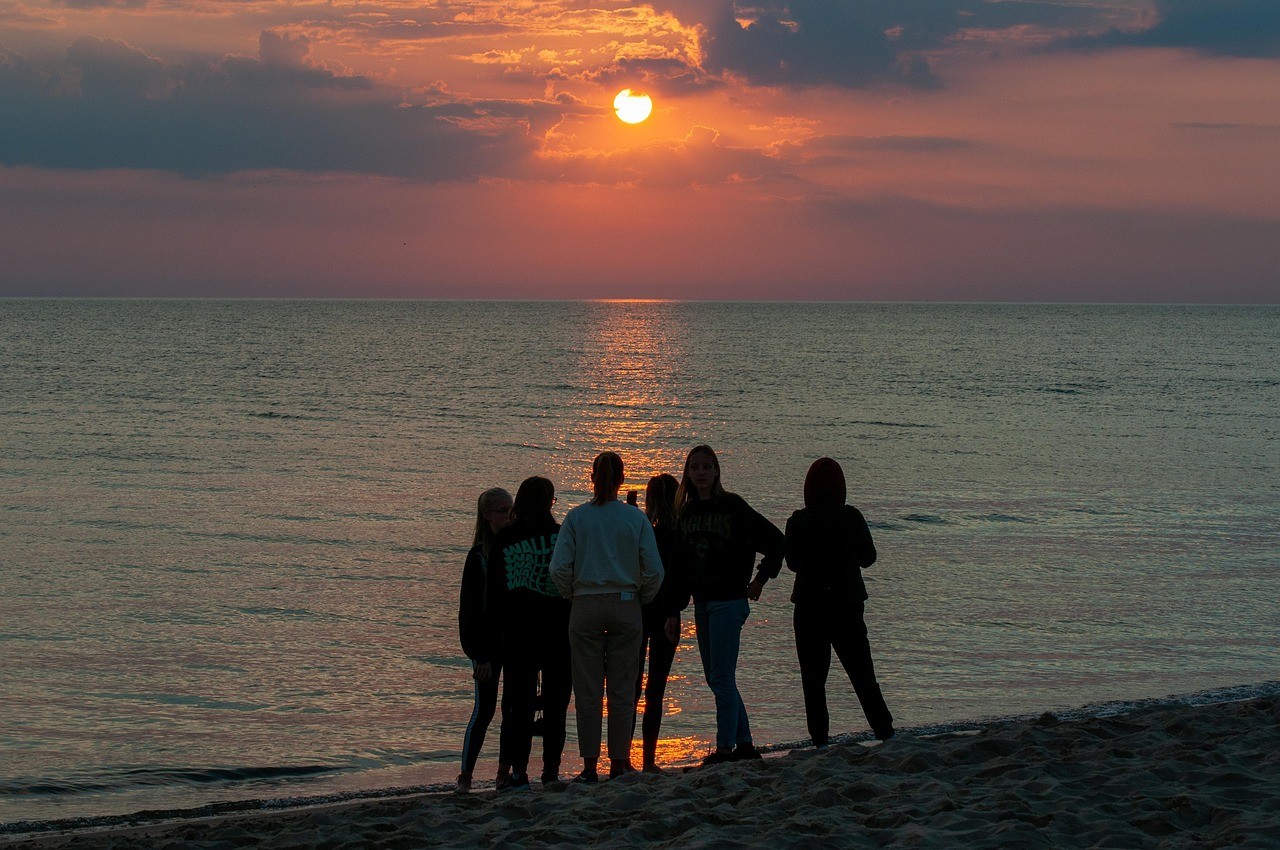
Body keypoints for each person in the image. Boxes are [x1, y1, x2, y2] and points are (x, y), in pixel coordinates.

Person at [550, 452, 664, 782]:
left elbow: (558, 568)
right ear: (621, 479)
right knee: (622, 687)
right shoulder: (635, 518)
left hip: (585, 603)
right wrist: (640, 598)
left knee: (587, 688)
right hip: (626, 601)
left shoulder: (576, 518)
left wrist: (573, 594)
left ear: (592, 478)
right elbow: (654, 571)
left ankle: (588, 765)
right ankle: (617, 761)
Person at [673, 444, 784, 766]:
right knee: (717, 678)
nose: (701, 473)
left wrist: (761, 580)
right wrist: (673, 608)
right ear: (688, 473)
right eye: (695, 467)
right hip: (702, 602)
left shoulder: (733, 506)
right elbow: (679, 565)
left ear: (717, 470)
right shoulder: (687, 512)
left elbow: (776, 541)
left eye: (707, 466)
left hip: (728, 602)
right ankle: (745, 744)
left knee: (721, 678)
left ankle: (725, 750)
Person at [784, 457, 895, 746]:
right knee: (862, 675)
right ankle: (884, 731)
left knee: (813, 680)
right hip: (847, 604)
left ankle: (820, 739)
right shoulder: (851, 517)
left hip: (809, 607)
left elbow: (793, 563)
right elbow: (869, 557)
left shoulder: (798, 520)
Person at [481, 476, 571, 790]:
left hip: (518, 634)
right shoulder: (562, 536)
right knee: (557, 703)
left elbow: (493, 594)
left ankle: (519, 773)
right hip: (558, 632)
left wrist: (492, 641)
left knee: (518, 706)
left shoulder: (505, 538)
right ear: (549, 502)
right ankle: (551, 771)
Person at [456, 487, 514, 793]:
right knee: (484, 710)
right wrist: (477, 655)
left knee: (512, 709)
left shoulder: (515, 547)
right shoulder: (478, 556)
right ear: (487, 514)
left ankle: (504, 771)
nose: (508, 516)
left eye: (510, 510)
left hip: (513, 642)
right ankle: (466, 774)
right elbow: (468, 611)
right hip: (486, 647)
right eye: (502, 511)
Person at [633, 473, 683, 773]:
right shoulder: (680, 535)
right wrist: (674, 611)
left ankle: (623, 756)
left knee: (631, 686)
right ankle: (649, 760)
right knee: (656, 689)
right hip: (669, 614)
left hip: (640, 613)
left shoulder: (642, 532)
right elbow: (679, 580)